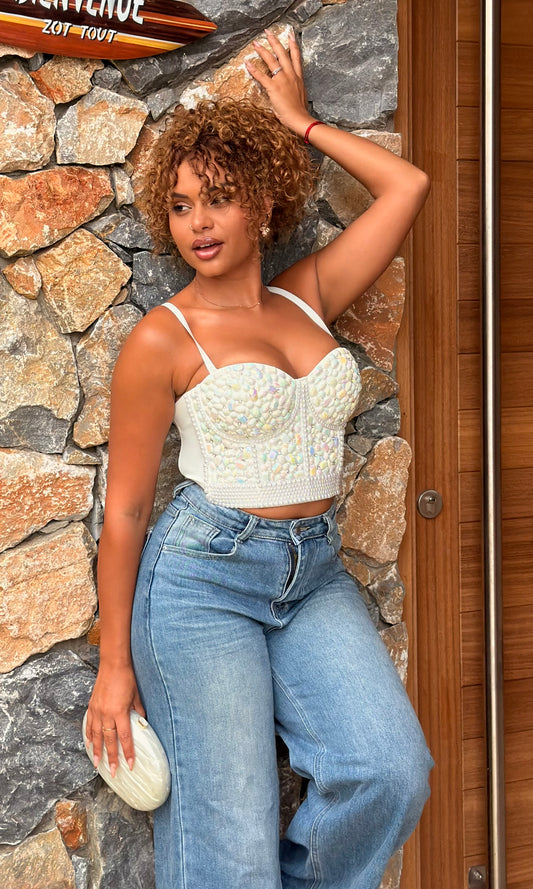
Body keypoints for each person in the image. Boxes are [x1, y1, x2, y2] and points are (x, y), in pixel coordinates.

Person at [85, 28, 433, 889]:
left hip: (310, 572)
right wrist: (114, 664)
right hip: (201, 581)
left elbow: (407, 185)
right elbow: (126, 510)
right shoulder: (162, 338)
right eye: (180, 205)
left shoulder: (308, 296)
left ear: (265, 204)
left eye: (219, 198)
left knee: (388, 771)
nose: (198, 223)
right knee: (230, 860)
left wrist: (300, 122)